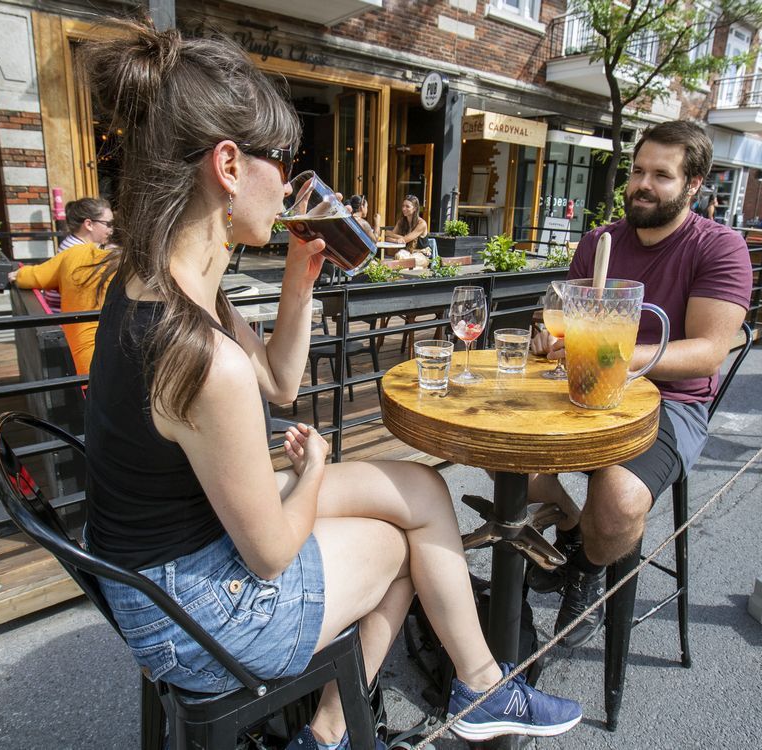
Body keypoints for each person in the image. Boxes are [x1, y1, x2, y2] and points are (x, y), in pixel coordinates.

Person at [79, 23, 580, 750]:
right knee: (401, 545)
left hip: (158, 566)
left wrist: (297, 278)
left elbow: (281, 383)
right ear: (227, 165)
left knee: (423, 492)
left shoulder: (163, 287)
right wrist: (311, 468)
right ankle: (370, 721)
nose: (288, 181)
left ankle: (469, 686)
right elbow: (272, 554)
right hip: (191, 611)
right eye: (281, 160)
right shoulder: (201, 354)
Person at [527, 121, 753, 646]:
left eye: (662, 175)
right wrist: (546, 334)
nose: (642, 185)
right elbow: (557, 312)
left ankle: (586, 573)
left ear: (694, 183)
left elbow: (708, 352)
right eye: (637, 171)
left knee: (621, 503)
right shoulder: (600, 241)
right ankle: (572, 532)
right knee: (507, 457)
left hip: (671, 402)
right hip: (580, 387)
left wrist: (614, 354)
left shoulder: (719, 247)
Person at [7, 241, 114, 374]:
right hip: (109, 369)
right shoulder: (132, 265)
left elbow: (33, 276)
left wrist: (20, 274)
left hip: (78, 361)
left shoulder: (75, 252)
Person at [37, 198, 113, 313]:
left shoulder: (71, 243)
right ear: (89, 224)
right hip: (67, 321)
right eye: (108, 224)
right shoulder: (79, 253)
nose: (111, 230)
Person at [387, 194, 430, 266]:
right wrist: (397, 239)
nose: (404, 209)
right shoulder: (401, 221)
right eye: (403, 206)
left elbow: (405, 240)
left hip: (421, 255)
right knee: (400, 255)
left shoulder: (421, 223)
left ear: (415, 208)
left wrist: (393, 236)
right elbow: (388, 238)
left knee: (401, 257)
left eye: (407, 206)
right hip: (407, 253)